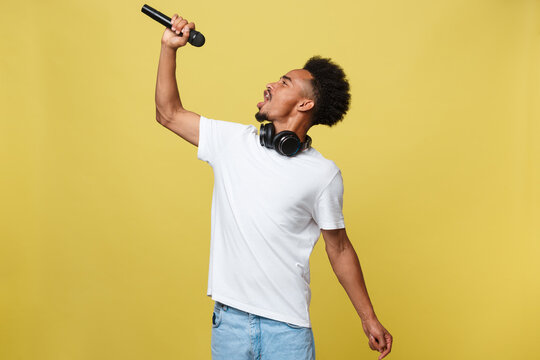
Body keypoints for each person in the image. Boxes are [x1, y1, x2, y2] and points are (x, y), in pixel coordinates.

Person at [155, 13, 393, 360]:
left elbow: (339, 249)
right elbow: (168, 113)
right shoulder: (232, 142)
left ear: (305, 104)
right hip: (230, 323)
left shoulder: (322, 174)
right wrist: (168, 48)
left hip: (288, 330)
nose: (272, 84)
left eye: (284, 82)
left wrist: (368, 318)